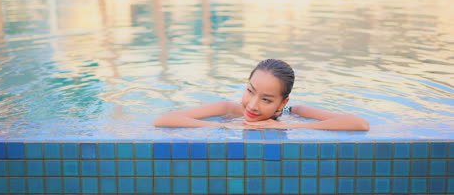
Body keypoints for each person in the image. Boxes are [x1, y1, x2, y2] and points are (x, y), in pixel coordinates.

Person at [153, 59, 370, 131]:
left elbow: (359, 124)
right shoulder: (228, 109)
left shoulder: (293, 112)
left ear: (282, 102)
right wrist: (226, 126)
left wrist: (286, 126)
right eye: (250, 91)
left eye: (266, 99)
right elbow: (164, 119)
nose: (253, 106)